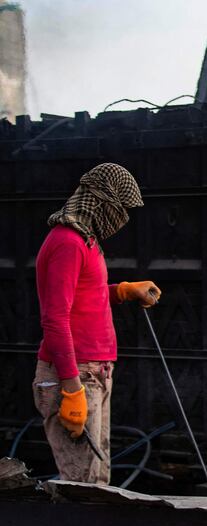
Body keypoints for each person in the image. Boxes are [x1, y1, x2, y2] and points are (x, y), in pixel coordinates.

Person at [32, 163, 161, 484]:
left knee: (98, 482)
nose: (122, 219)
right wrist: (72, 388)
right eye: (119, 209)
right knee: (83, 486)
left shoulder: (87, 241)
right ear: (100, 201)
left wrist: (124, 291)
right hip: (76, 375)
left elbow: (82, 296)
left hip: (96, 373)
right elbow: (55, 318)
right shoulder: (67, 243)